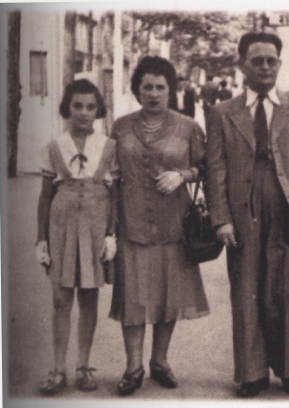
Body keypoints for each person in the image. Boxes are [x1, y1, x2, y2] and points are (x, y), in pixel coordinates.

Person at [206, 32, 289, 398]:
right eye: (257, 60)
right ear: (242, 65)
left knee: (287, 295)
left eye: (272, 60)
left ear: (279, 64)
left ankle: (287, 368)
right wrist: (221, 219)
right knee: (248, 292)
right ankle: (252, 373)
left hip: (288, 210)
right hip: (243, 210)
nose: (266, 67)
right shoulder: (223, 112)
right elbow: (215, 170)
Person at [108, 56, 209, 396]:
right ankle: (133, 367)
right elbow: (110, 176)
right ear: (137, 89)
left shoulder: (188, 127)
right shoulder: (120, 127)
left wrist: (181, 175)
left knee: (168, 297)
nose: (153, 93)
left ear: (171, 90)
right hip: (131, 224)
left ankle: (160, 361)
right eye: (147, 86)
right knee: (134, 298)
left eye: (160, 87)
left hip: (174, 225)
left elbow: (204, 168)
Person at [36, 79, 118, 394]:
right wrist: (40, 239)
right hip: (61, 227)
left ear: (98, 111)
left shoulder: (109, 147)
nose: (84, 113)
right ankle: (57, 369)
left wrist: (111, 234)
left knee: (89, 296)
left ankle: (83, 366)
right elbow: (45, 198)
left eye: (90, 107)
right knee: (60, 299)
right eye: (77, 106)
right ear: (67, 108)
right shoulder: (54, 147)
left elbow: (117, 195)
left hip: (96, 228)